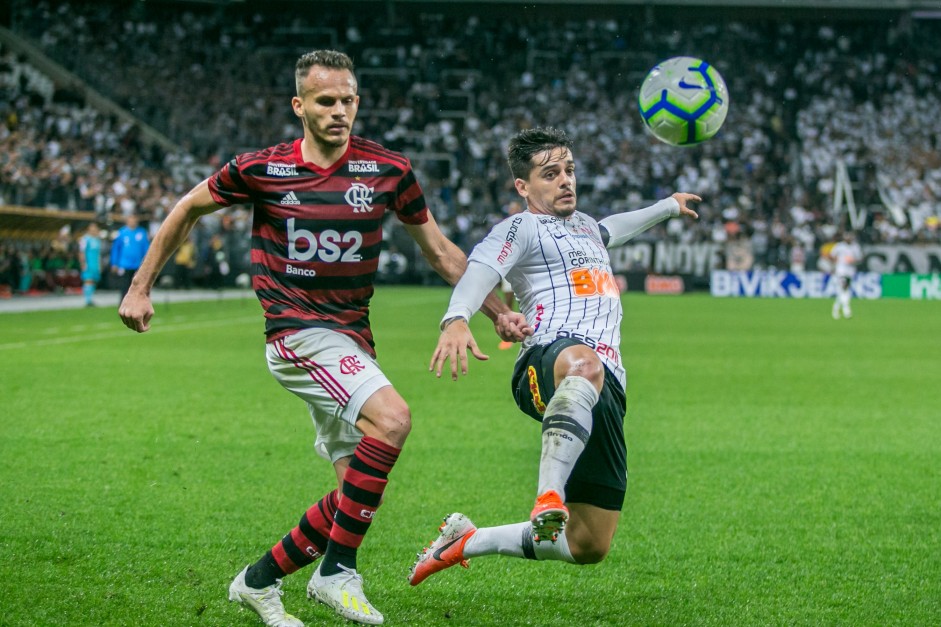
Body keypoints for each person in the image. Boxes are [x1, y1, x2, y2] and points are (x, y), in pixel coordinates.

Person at [117, 50, 527, 627]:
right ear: (299, 106)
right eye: (325, 101)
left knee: (355, 491)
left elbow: (438, 251)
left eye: (347, 100)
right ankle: (337, 575)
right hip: (295, 333)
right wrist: (140, 287)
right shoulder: (262, 168)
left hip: (351, 338)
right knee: (393, 420)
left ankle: (257, 583)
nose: (339, 111)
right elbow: (189, 207)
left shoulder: (388, 171)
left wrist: (492, 311)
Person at [409, 127, 699, 587]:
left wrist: (668, 205)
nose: (566, 180)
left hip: (606, 386)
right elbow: (479, 270)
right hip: (549, 359)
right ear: (524, 186)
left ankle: (465, 541)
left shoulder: (585, 227)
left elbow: (615, 227)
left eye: (569, 170)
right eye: (551, 174)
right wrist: (457, 317)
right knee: (584, 364)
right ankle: (548, 494)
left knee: (589, 544)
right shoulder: (520, 228)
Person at [497, 200, 523, 351]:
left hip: (523, 268)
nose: (512, 211)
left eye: (515, 208)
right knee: (507, 300)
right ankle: (508, 333)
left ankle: (526, 330)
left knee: (526, 302)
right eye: (511, 209)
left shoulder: (528, 223)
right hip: (509, 267)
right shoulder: (506, 225)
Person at [109, 214, 150, 301]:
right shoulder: (121, 233)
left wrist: (147, 262)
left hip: (138, 264)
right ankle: (123, 303)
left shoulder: (142, 233)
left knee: (138, 285)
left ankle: (137, 302)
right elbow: (116, 249)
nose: (132, 221)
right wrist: (114, 263)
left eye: (134, 219)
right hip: (124, 264)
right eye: (131, 219)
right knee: (125, 285)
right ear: (127, 221)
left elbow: (146, 249)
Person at [829, 231, 862, 319]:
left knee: (844, 290)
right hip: (841, 270)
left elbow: (859, 258)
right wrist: (834, 265)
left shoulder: (855, 247)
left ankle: (835, 310)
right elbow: (832, 255)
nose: (848, 239)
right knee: (844, 288)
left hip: (850, 270)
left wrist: (853, 260)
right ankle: (846, 310)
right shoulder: (839, 246)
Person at [78, 223, 102, 306]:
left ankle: (90, 298)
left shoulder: (97, 240)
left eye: (95, 229)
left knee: (94, 281)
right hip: (88, 263)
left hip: (95, 264)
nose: (94, 231)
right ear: (88, 230)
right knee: (88, 280)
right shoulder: (85, 239)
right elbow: (81, 252)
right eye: (92, 229)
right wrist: (83, 263)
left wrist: (100, 264)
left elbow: (98, 253)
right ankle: (88, 300)